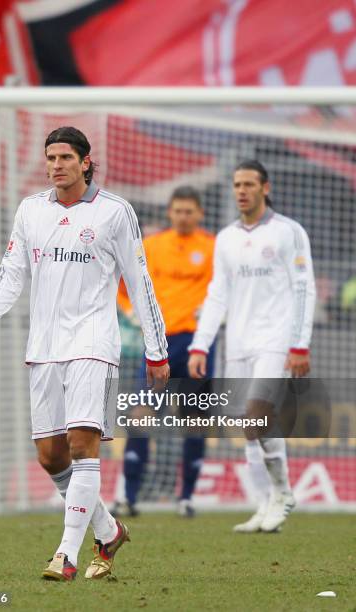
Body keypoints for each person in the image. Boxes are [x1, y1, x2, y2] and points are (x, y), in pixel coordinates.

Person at [0, 126, 169, 581]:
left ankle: (67, 554)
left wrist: (157, 349)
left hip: (94, 342)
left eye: (65, 157)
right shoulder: (31, 210)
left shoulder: (116, 212)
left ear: (85, 161)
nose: (56, 165)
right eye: (50, 157)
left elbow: (139, 282)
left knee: (82, 446)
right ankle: (109, 529)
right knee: (51, 457)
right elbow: (11, 271)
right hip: (45, 346)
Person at [188, 160, 316, 533]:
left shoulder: (288, 232)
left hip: (275, 339)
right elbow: (217, 294)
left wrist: (300, 344)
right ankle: (264, 504)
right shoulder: (226, 238)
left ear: (266, 187)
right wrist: (201, 345)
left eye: (248, 184)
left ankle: (283, 492)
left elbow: (303, 288)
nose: (241, 190)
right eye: (236, 184)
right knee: (247, 425)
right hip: (237, 342)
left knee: (257, 414)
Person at [114, 186, 215, 517]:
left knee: (195, 421)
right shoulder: (151, 246)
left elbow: (225, 289)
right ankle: (129, 496)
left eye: (189, 211)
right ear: (170, 213)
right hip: (158, 343)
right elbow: (124, 285)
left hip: (197, 344)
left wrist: (215, 312)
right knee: (141, 416)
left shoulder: (213, 248)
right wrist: (130, 312)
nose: (183, 216)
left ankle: (186, 497)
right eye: (178, 211)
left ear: (200, 213)